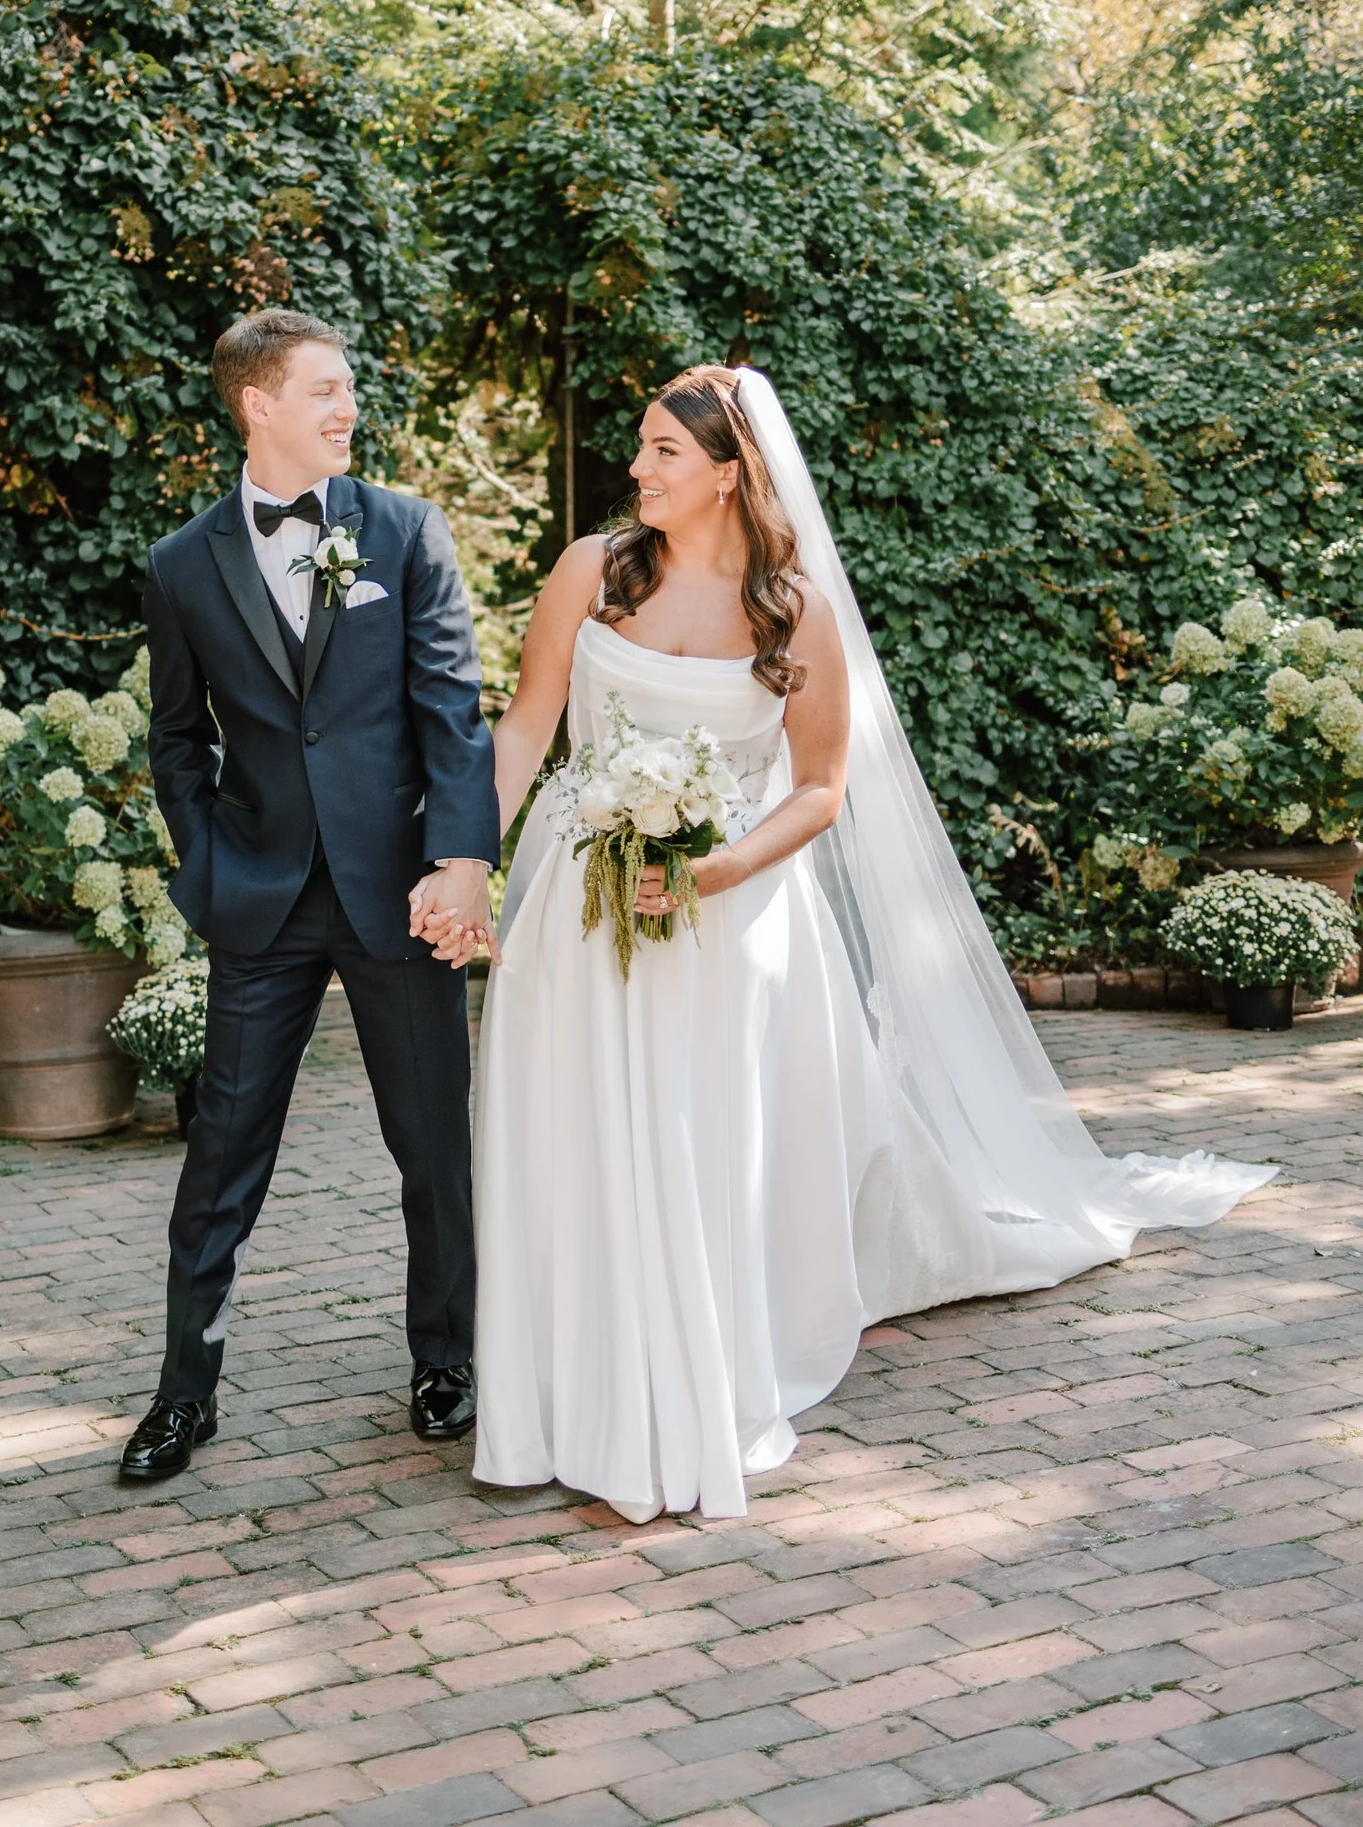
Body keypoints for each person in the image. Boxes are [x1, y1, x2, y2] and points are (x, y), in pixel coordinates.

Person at [472, 362, 1273, 1524]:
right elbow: (528, 724)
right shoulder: (591, 572)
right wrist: (468, 862)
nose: (636, 469)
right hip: (575, 904)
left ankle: (694, 1379)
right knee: (568, 1135)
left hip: (723, 914)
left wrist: (716, 870)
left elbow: (819, 789)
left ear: (730, 473)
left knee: (697, 1150)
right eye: (640, 448)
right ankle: (556, 1391)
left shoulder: (793, 611)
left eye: (663, 452)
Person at [120, 307, 500, 1482]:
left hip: (400, 897)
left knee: (432, 1147)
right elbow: (176, 740)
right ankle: (186, 1392)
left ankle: (448, 1360)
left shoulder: (403, 529)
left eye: (349, 389)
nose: (349, 409)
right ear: (260, 406)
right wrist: (207, 866)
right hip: (263, 902)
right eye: (326, 390)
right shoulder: (182, 565)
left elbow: (452, 712)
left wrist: (460, 859)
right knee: (222, 1152)